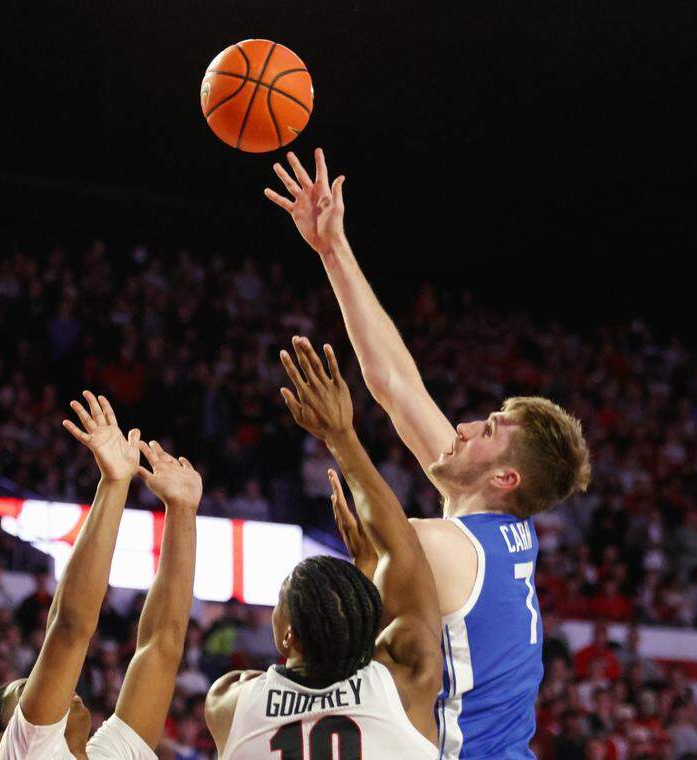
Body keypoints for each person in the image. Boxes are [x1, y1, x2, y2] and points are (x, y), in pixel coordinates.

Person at [266, 151, 593, 758]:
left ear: (505, 476)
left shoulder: (445, 549)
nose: (463, 428)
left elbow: (331, 634)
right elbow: (396, 385)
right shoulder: (502, 528)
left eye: (488, 430)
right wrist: (332, 247)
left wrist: (339, 437)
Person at [205, 341, 442, 757]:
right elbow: (405, 552)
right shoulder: (405, 683)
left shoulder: (231, 701)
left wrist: (363, 575)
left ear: (288, 635)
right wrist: (342, 435)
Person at [0, 390, 202, 760]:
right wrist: (113, 483)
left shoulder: (112, 753)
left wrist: (182, 509)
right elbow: (70, 629)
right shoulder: (26, 751)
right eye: (28, 691)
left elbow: (162, 645)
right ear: (6, 739)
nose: (52, 683)